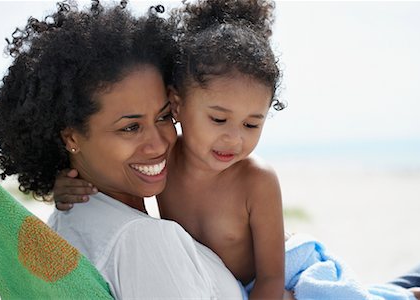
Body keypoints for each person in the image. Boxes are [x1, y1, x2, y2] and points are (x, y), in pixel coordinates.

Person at [0, 1, 244, 298]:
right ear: (71, 137)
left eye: (164, 117)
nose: (160, 142)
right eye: (130, 127)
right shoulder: (143, 240)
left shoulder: (63, 224)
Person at [54, 0, 287, 298]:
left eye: (251, 125)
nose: (234, 139)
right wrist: (64, 184)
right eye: (218, 119)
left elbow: (272, 277)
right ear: (179, 105)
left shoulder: (257, 181)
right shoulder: (167, 163)